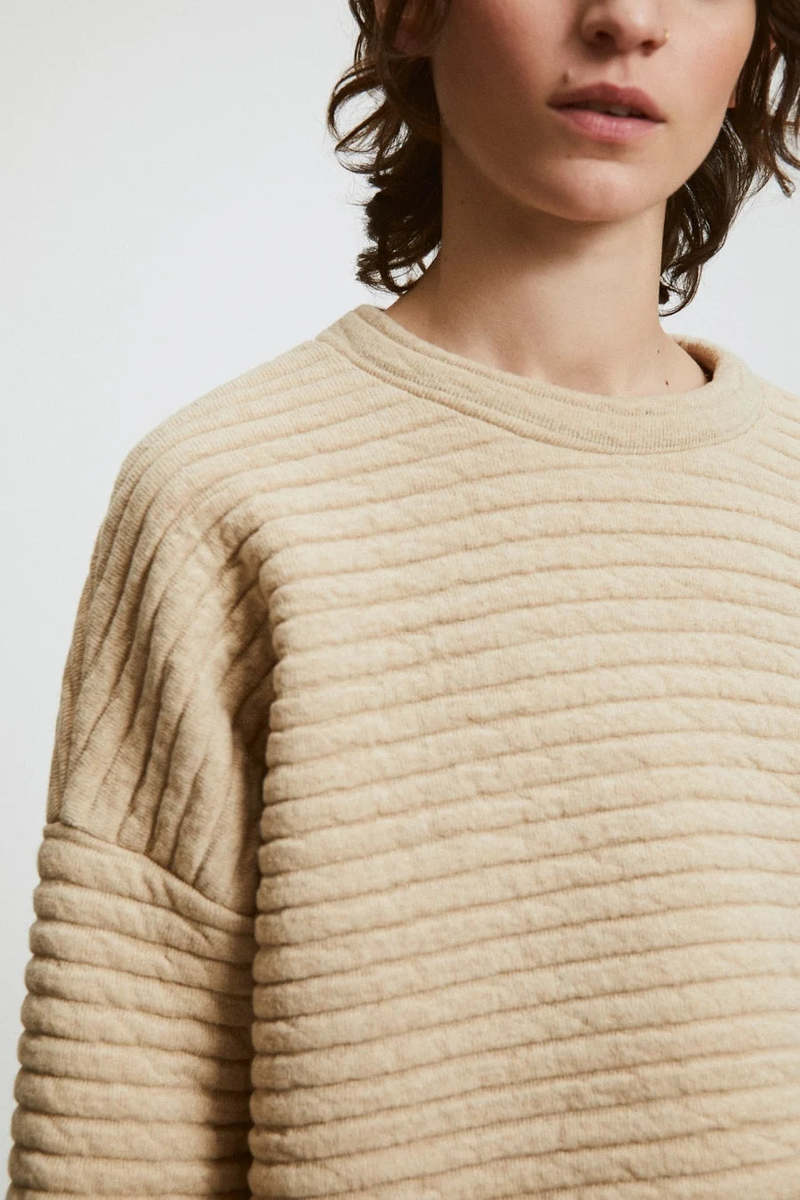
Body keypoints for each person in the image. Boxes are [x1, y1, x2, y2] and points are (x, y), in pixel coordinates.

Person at [6, 2, 800, 1197]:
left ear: (752, 47)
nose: (625, 20)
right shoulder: (227, 496)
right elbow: (117, 1120)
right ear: (413, 11)